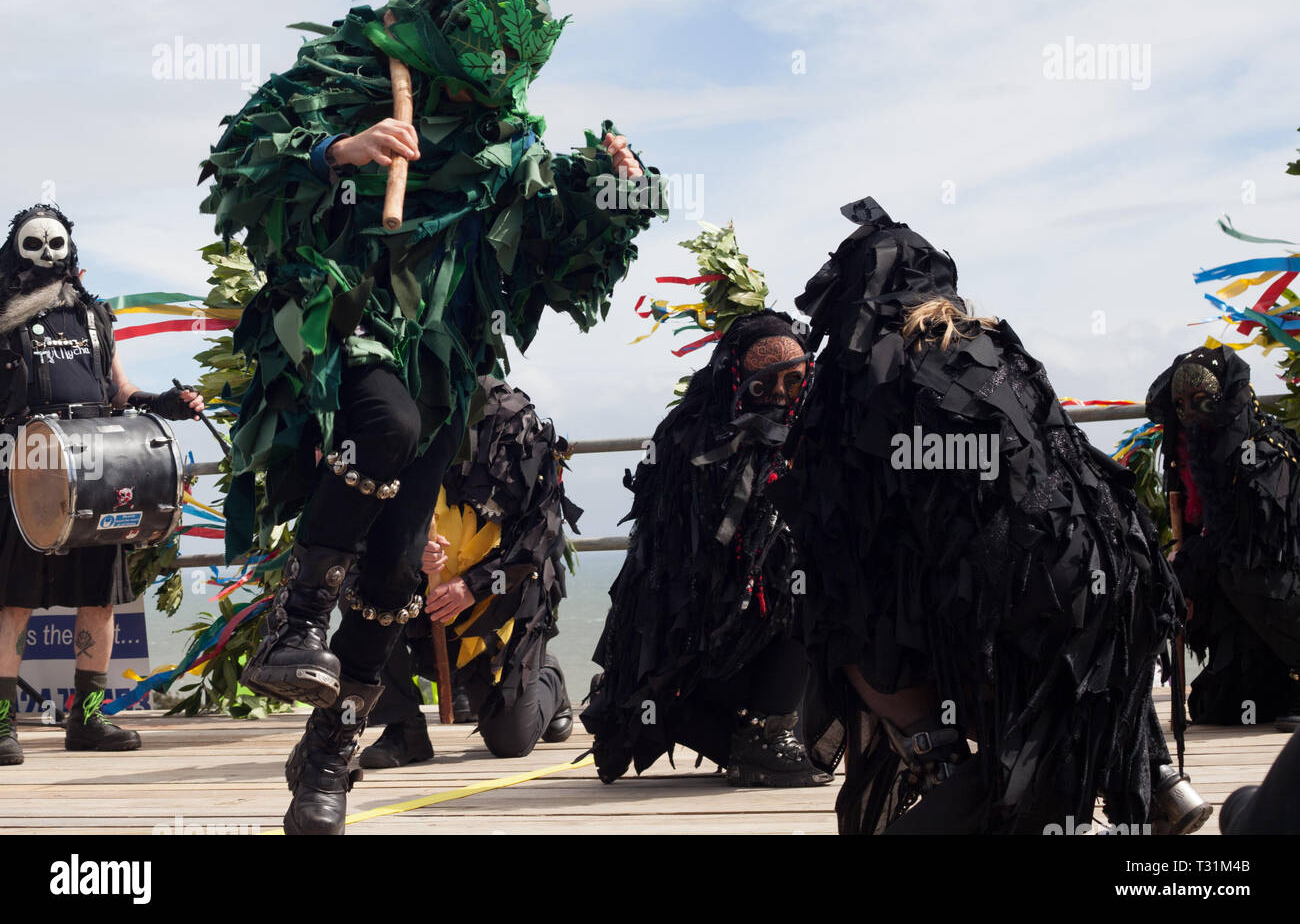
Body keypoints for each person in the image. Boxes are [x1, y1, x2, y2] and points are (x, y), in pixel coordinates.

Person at [200, 0, 660, 834]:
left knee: (395, 571)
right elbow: (241, 157)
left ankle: (326, 762)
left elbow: (558, 248)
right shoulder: (351, 81)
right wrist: (338, 151)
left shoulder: (512, 142)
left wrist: (620, 192)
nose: (485, 93)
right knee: (385, 422)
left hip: (447, 357)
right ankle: (297, 626)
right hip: (348, 316)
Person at [784, 197, 1208, 834]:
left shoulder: (861, 373)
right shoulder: (996, 349)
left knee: (838, 612)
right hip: (1120, 580)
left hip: (1017, 600)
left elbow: (839, 532)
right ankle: (1155, 782)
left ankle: (944, 766)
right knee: (1056, 593)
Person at [582, 310, 830, 789]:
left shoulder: (814, 436)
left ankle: (767, 734)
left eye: (793, 384)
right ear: (735, 377)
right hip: (693, 661)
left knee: (812, 584)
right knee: (651, 710)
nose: (779, 398)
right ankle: (756, 739)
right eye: (762, 386)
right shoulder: (688, 441)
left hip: (771, 652)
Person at [0, 204, 202, 764]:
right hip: (19, 469)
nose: (45, 257)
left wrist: (161, 403)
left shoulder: (93, 315)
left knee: (100, 598)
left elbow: (119, 390)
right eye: (33, 245)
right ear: (15, 250)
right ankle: (0, 726)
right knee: (12, 600)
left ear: (70, 249)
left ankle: (86, 720)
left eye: (54, 245)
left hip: (93, 468)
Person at [360, 375, 579, 767]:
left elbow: (538, 535)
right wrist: (407, 548)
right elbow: (362, 517)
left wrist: (473, 585)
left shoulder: (513, 421)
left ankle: (546, 675)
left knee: (509, 741)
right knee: (357, 583)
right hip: (419, 598)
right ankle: (403, 728)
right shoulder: (388, 406)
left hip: (498, 602)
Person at [1146, 346, 1300, 732]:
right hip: (1231, 587)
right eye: (1181, 405)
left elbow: (1262, 544)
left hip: (1276, 578)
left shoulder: (1265, 455)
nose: (1190, 414)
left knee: (1245, 574)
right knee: (1219, 706)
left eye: (1201, 401)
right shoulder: (1188, 450)